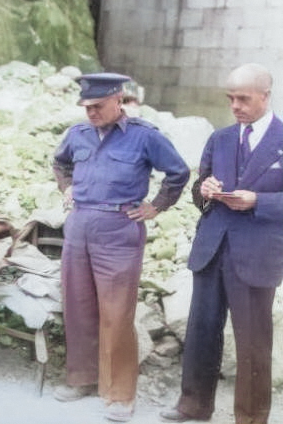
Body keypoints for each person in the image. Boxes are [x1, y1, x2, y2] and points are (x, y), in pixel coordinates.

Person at [52, 73, 190, 422]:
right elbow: (60, 162)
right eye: (86, 107)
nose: (91, 113)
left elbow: (177, 172)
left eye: (98, 106)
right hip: (79, 226)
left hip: (119, 230)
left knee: (116, 315)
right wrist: (66, 187)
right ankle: (81, 378)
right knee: (77, 308)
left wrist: (156, 206)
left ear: (119, 99)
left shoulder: (144, 136)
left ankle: (119, 394)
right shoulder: (77, 133)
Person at [160, 63, 283, 424]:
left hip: (257, 254)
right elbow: (199, 195)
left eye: (243, 98)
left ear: (265, 95)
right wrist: (206, 189)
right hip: (212, 248)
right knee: (201, 331)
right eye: (230, 98)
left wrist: (258, 201)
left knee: (253, 342)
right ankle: (193, 405)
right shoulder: (221, 138)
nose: (235, 106)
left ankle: (250, 417)